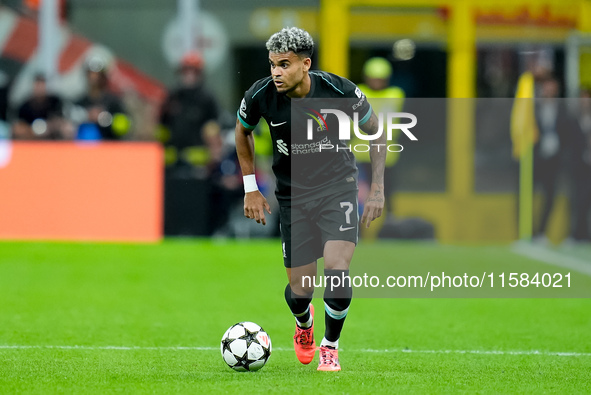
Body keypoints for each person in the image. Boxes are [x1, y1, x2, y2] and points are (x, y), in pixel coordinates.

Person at [235, 27, 385, 371]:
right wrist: (250, 187)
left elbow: (376, 133)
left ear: (306, 64)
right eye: (273, 64)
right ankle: (304, 324)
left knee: (337, 266)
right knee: (300, 289)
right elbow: (242, 131)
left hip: (338, 188)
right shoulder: (260, 95)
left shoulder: (339, 90)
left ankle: (330, 345)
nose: (275, 72)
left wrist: (376, 188)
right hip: (293, 196)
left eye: (284, 64)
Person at [160, 51, 221, 172]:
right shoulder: (173, 96)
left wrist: (214, 154)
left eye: (193, 71)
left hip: (197, 160)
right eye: (185, 71)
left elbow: (213, 128)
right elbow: (162, 125)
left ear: (199, 74)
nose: (189, 75)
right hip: (172, 159)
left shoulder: (206, 98)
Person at [76, 56, 130, 140]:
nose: (93, 77)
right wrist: (86, 116)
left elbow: (124, 125)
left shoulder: (113, 102)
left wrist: (104, 117)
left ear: (103, 76)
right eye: (91, 73)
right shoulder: (80, 101)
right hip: (83, 149)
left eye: (97, 74)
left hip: (109, 146)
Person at [12, 74, 66, 140]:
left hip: (51, 132)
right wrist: (32, 130)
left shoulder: (55, 101)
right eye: (38, 86)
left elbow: (60, 119)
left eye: (42, 86)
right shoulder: (25, 105)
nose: (40, 89)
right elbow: (20, 124)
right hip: (30, 134)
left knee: (66, 128)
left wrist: (50, 126)